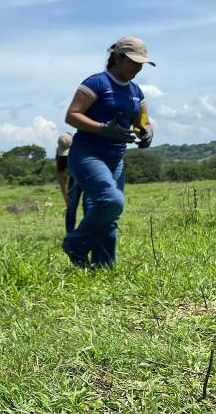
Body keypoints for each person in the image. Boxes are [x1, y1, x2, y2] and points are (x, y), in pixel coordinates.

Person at [62, 36, 154, 268]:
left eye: (141, 63)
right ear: (118, 57)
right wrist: (103, 129)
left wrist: (146, 132)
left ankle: (102, 267)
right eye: (134, 62)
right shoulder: (97, 83)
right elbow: (72, 115)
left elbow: (143, 120)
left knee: (107, 214)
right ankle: (76, 243)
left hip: (116, 158)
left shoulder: (135, 92)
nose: (138, 67)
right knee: (111, 201)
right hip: (88, 154)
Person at [56, 132, 83, 233]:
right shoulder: (60, 156)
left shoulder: (83, 147)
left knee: (89, 206)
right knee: (71, 206)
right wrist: (65, 196)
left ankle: (88, 234)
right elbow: (61, 175)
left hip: (88, 176)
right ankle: (70, 235)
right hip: (73, 178)